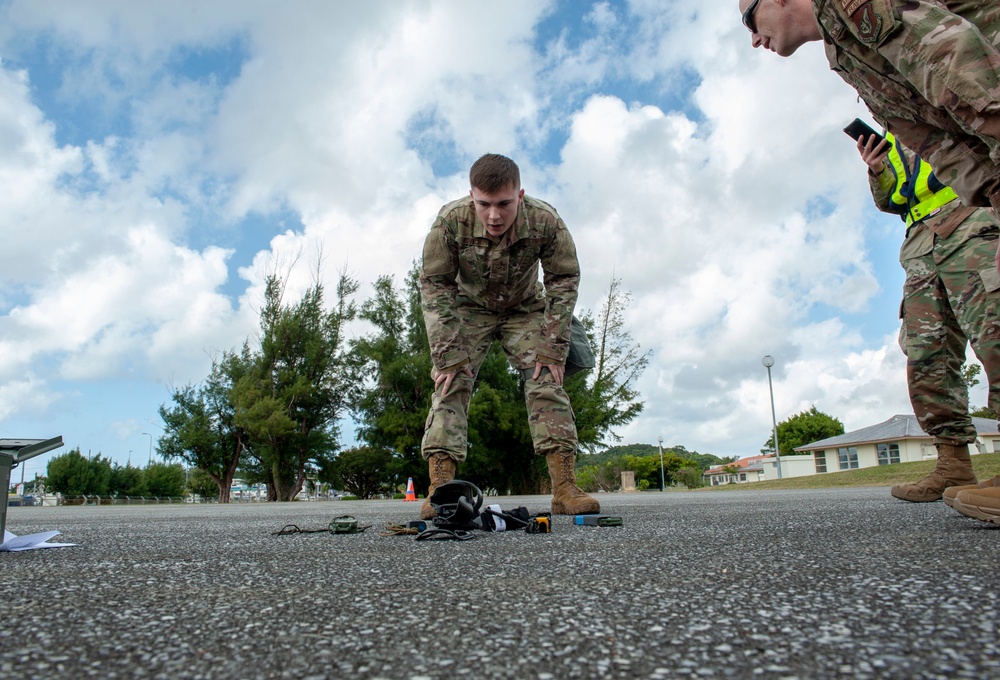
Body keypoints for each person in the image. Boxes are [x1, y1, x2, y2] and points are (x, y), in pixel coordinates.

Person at [417, 153, 600, 520]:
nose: (494, 216)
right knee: (451, 381)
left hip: (525, 307)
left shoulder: (546, 220)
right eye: (484, 205)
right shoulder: (450, 222)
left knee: (546, 377)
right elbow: (435, 285)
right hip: (469, 307)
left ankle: (564, 488)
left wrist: (552, 346)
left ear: (520, 195)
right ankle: (440, 491)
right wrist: (447, 353)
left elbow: (563, 280)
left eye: (503, 204)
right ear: (472, 197)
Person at [738, 1, 1000, 236]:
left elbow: (959, 72)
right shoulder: (841, 52)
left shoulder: (846, 8)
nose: (754, 41)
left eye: (750, 22)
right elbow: (945, 144)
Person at [855, 129, 1000, 502]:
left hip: (971, 216)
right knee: (926, 354)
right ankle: (953, 464)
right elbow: (890, 200)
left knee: (994, 331)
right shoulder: (892, 126)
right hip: (920, 241)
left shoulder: (927, 97)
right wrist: (877, 170)